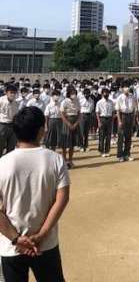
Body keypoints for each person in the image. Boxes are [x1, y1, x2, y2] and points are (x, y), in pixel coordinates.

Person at [0, 107, 69, 282]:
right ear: (41, 130)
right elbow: (62, 199)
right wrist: (41, 235)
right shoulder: (55, 159)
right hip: (46, 244)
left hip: (11, 246)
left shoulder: (3, 163)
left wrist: (16, 239)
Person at [115, 82, 137, 163]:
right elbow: (117, 110)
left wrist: (134, 120)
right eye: (125, 87)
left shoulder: (132, 97)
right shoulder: (119, 98)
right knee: (121, 137)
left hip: (130, 116)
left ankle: (127, 154)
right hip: (122, 116)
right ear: (122, 88)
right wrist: (119, 121)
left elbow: (134, 109)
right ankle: (120, 155)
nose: (126, 88)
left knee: (128, 137)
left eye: (127, 87)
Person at [60, 86, 81, 169]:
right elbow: (62, 114)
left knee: (72, 143)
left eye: (75, 93)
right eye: (72, 93)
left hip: (75, 121)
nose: (73, 95)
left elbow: (79, 113)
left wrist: (76, 123)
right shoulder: (64, 101)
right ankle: (64, 161)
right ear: (68, 93)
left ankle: (70, 160)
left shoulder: (77, 101)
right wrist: (68, 123)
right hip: (67, 122)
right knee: (65, 143)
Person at [0, 85, 19, 157]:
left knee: (11, 146)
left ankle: (8, 160)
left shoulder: (16, 103)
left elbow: (16, 115)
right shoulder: (1, 100)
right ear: (6, 92)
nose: (13, 94)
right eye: (11, 92)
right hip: (2, 125)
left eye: (14, 93)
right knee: (1, 145)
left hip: (12, 126)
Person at [96, 88, 114, 158]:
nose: (106, 94)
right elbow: (97, 112)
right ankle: (101, 151)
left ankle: (107, 151)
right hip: (102, 119)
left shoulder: (111, 102)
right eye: (104, 93)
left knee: (108, 136)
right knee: (102, 136)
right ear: (102, 94)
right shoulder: (99, 102)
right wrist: (99, 122)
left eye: (107, 93)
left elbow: (113, 111)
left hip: (109, 119)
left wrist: (112, 120)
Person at [78, 88, 94, 153]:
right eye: (85, 94)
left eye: (88, 94)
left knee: (87, 132)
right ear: (83, 94)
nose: (86, 95)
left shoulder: (92, 100)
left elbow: (92, 108)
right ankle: (81, 146)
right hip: (82, 115)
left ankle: (86, 145)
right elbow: (78, 108)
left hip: (89, 115)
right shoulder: (81, 100)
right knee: (81, 131)